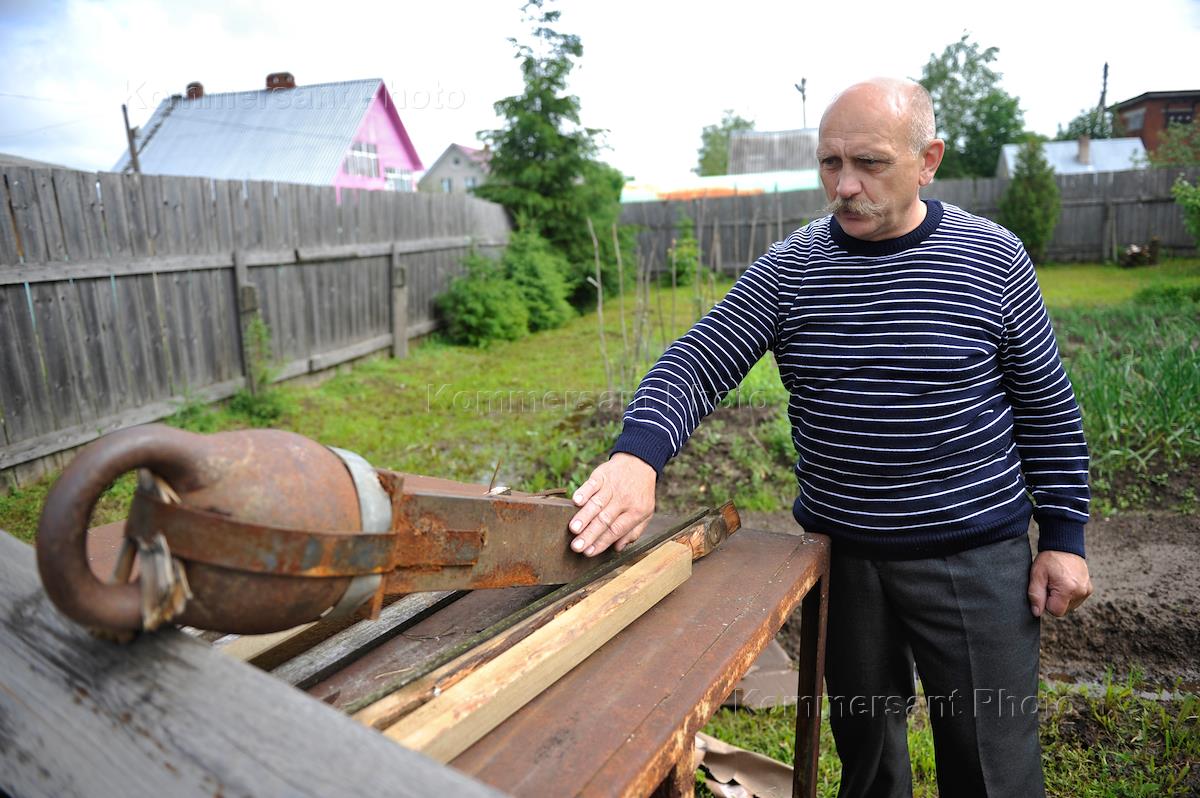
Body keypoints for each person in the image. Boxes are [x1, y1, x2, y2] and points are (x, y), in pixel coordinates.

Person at [567, 77, 1093, 797]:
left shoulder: (991, 260)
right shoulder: (794, 268)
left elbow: (1048, 409)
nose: (845, 187)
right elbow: (696, 360)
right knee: (868, 758)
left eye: (870, 164)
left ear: (927, 160)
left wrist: (1064, 536)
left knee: (991, 762)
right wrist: (637, 456)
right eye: (829, 164)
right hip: (845, 562)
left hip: (973, 559)